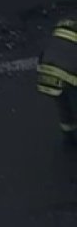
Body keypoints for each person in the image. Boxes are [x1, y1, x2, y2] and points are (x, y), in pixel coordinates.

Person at [36, 18, 77, 146]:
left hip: (45, 74)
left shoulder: (64, 24)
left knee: (63, 106)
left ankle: (68, 139)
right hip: (67, 74)